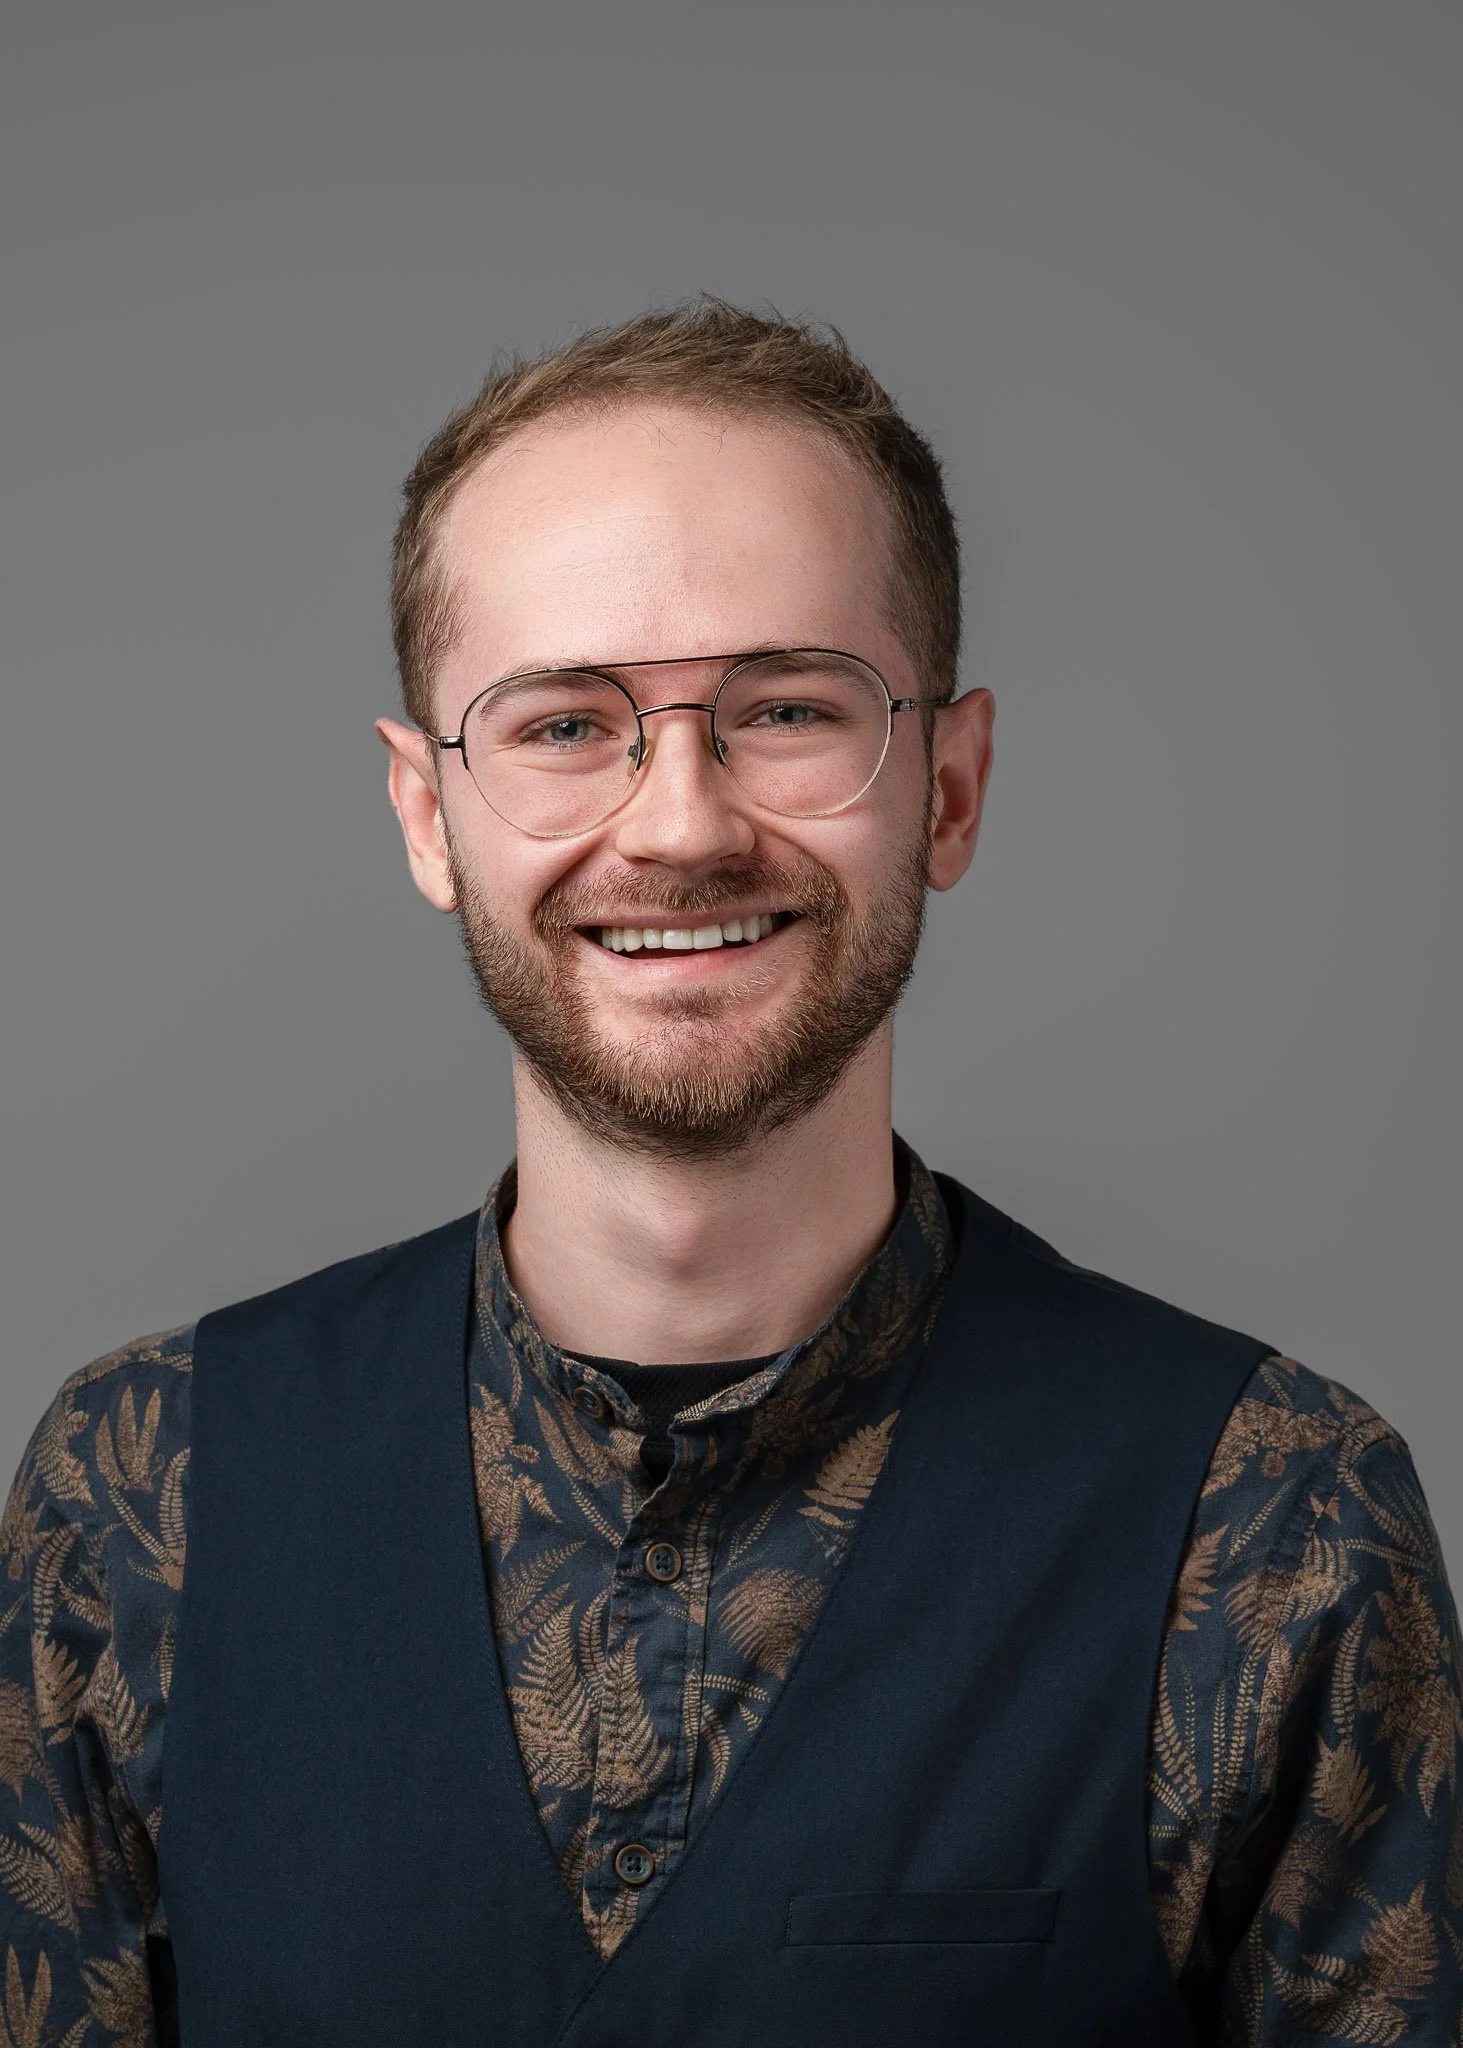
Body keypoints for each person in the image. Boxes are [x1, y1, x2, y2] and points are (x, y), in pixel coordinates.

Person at [1, 299, 1458, 2047]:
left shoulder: (1275, 1523)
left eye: (783, 707)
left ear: (951, 784)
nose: (680, 822)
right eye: (561, 724)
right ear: (423, 815)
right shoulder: (138, 1499)